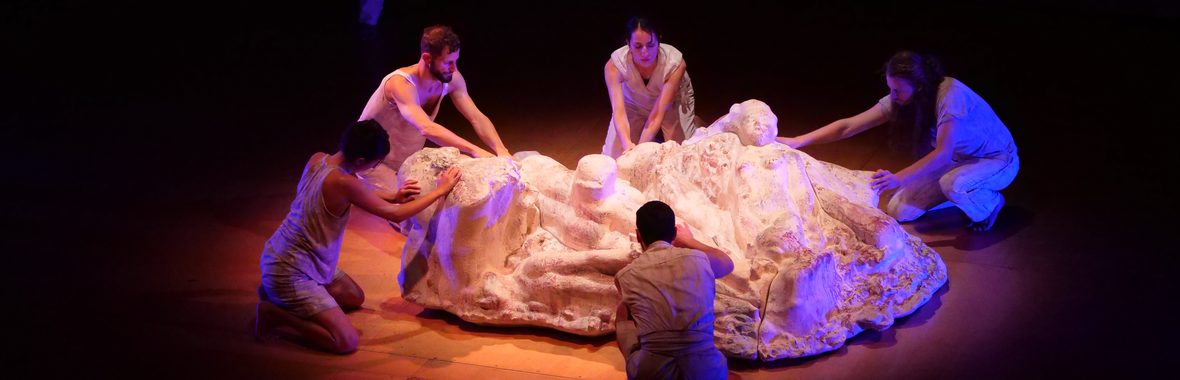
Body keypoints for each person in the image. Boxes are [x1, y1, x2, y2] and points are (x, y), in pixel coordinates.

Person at [255, 120, 461, 354]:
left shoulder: (318, 158)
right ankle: (275, 313)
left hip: (288, 255)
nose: (374, 168)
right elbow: (394, 213)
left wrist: (393, 195)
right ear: (362, 161)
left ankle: (274, 292)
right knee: (346, 341)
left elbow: (356, 190)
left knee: (353, 298)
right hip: (291, 270)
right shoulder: (344, 182)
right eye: (375, 164)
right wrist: (440, 190)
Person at [777, 51, 1019, 232]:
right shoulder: (908, 96)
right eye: (890, 89)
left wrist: (898, 178)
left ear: (920, 86)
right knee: (898, 211)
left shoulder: (950, 95)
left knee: (953, 184)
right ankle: (961, 193)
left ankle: (991, 203)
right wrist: (799, 140)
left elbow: (943, 153)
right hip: (957, 162)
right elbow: (849, 126)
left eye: (897, 90)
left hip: (996, 160)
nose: (893, 96)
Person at [357, 24, 509, 190]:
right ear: (427, 58)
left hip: (406, 164)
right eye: (448, 62)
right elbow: (426, 128)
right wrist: (474, 150)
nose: (454, 68)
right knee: (411, 208)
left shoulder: (452, 79)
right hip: (369, 164)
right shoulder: (400, 84)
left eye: (456, 61)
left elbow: (476, 117)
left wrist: (501, 150)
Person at [614, 201, 734, 379]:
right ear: (675, 233)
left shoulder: (625, 276)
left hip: (652, 372)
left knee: (623, 315)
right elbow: (727, 263)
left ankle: (637, 357)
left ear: (639, 236)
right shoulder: (699, 260)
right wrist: (688, 240)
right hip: (707, 370)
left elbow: (628, 319)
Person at [602, 17, 703, 158]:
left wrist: (638, 152)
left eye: (650, 45)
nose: (645, 52)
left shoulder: (674, 64)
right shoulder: (614, 66)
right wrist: (627, 144)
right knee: (613, 156)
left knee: (681, 154)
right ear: (628, 44)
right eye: (638, 46)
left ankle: (694, 125)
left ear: (659, 41)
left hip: (672, 103)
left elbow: (657, 114)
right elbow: (619, 111)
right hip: (633, 101)